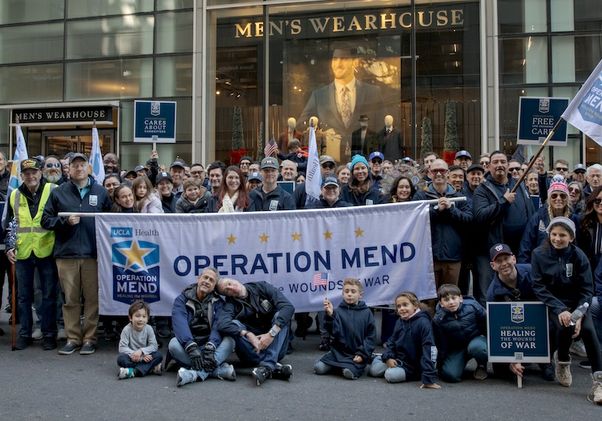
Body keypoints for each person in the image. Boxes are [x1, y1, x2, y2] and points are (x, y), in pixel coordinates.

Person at [42, 153, 112, 355]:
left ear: (88, 168)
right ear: (69, 170)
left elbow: (109, 220)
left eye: (82, 165)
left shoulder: (100, 192)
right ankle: (73, 338)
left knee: (92, 299)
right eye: (75, 165)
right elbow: (46, 221)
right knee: (70, 299)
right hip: (66, 254)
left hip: (93, 254)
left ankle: (90, 338)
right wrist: (64, 222)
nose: (79, 168)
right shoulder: (59, 193)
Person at [531, 217, 602, 403]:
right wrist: (560, 309)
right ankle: (562, 360)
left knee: (588, 330)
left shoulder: (579, 256)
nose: (557, 238)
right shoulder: (539, 254)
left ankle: (599, 381)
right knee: (565, 326)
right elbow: (538, 287)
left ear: (571, 237)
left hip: (577, 303)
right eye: (554, 234)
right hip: (554, 303)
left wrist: (578, 313)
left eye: (562, 235)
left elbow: (587, 289)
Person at [5, 158, 59, 351]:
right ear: (22, 176)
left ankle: (49, 334)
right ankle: (24, 334)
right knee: (23, 297)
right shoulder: (14, 196)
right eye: (27, 173)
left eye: (34, 172)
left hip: (46, 250)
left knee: (48, 295)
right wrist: (9, 247)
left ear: (40, 173)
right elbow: (10, 225)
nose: (31, 176)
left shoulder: (53, 190)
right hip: (23, 252)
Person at [472, 150, 534, 305]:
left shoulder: (518, 184)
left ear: (508, 165)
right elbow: (480, 216)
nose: (499, 165)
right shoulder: (482, 190)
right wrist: (503, 202)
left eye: (503, 162)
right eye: (495, 162)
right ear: (488, 166)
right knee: (489, 292)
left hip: (519, 249)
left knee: (520, 288)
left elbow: (530, 212)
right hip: (493, 251)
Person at [485, 243, 554, 381]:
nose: (504, 263)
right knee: (500, 372)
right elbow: (496, 329)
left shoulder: (532, 272)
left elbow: (550, 297)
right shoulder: (492, 294)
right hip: (512, 331)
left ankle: (545, 360)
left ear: (514, 259)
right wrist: (511, 359)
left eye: (506, 259)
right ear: (493, 266)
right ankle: (516, 361)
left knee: (555, 324)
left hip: (538, 322)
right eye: (499, 261)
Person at [216, 277, 295, 386]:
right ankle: (271, 367)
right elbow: (222, 324)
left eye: (229, 283)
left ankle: (266, 367)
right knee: (235, 324)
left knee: (280, 316)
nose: (231, 288)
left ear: (235, 280)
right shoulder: (230, 304)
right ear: (228, 295)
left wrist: (271, 334)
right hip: (253, 351)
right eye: (226, 290)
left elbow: (288, 307)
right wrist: (248, 334)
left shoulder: (261, 287)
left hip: (276, 345)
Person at [298, 48, 383, 142]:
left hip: (363, 152)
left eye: (343, 59)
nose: (338, 64)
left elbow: (381, 127)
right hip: (330, 153)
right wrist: (321, 134)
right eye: (335, 59)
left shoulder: (372, 92)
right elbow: (301, 125)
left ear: (354, 62)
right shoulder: (319, 95)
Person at [169, 268, 236, 387]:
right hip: (189, 347)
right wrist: (191, 346)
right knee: (173, 344)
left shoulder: (219, 303)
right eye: (205, 277)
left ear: (214, 286)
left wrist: (211, 346)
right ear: (198, 279)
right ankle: (217, 370)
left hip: (210, 348)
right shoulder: (181, 299)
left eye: (211, 280)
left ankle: (193, 374)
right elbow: (180, 324)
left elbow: (218, 326)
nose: (207, 281)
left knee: (230, 341)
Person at [413, 159, 472, 288]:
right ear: (429, 173)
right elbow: (415, 220)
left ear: (448, 173)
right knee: (429, 301)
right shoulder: (421, 196)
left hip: (453, 256)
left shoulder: (459, 196)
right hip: (428, 257)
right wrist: (436, 210)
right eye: (435, 171)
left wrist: (451, 209)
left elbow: (468, 220)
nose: (438, 174)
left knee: (450, 298)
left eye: (442, 171)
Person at [369, 292, 440, 388]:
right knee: (374, 370)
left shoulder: (424, 323)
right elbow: (392, 341)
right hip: (398, 359)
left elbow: (429, 350)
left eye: (405, 305)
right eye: (399, 306)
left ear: (415, 305)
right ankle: (380, 359)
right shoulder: (400, 321)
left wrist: (428, 378)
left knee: (390, 375)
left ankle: (379, 359)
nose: (401, 309)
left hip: (413, 367)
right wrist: (388, 357)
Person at [313, 278, 376, 380]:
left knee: (348, 373)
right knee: (318, 368)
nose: (349, 294)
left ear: (360, 295)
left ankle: (349, 367)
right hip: (338, 353)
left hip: (356, 354)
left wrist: (362, 354)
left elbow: (371, 337)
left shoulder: (367, 312)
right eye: (346, 291)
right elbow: (333, 332)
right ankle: (338, 365)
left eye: (353, 291)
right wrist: (330, 316)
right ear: (342, 294)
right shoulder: (338, 311)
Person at [432, 284, 487, 382]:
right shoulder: (438, 319)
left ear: (460, 298)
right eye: (446, 300)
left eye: (454, 298)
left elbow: (486, 322)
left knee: (478, 348)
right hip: (458, 347)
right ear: (441, 303)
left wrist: (488, 339)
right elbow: (441, 343)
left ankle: (481, 365)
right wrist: (440, 364)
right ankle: (459, 362)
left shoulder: (472, 305)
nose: (451, 302)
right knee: (450, 375)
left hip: (477, 339)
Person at [518, 180, 578, 263]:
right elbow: (526, 245)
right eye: (554, 195)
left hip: (566, 265)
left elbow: (578, 247)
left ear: (567, 199)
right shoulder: (538, 217)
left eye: (562, 196)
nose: (558, 198)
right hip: (542, 264)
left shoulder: (573, 219)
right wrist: (526, 270)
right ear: (549, 199)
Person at [117, 300, 162, 380]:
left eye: (144, 316)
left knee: (158, 355)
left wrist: (141, 351)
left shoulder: (149, 329)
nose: (141, 319)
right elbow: (122, 348)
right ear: (130, 318)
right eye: (137, 316)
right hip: (132, 357)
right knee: (121, 358)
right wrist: (135, 354)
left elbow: (154, 346)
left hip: (145, 356)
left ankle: (133, 371)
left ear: (147, 318)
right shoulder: (126, 330)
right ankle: (150, 369)